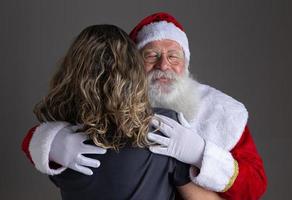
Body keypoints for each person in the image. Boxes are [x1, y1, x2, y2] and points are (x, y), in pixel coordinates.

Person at [22, 13, 267, 199]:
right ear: (132, 66)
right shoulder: (98, 115)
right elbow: (43, 137)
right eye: (151, 56)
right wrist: (51, 143)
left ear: (186, 63)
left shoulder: (221, 112)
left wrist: (202, 154)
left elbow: (254, 186)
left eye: (173, 56)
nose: (164, 66)